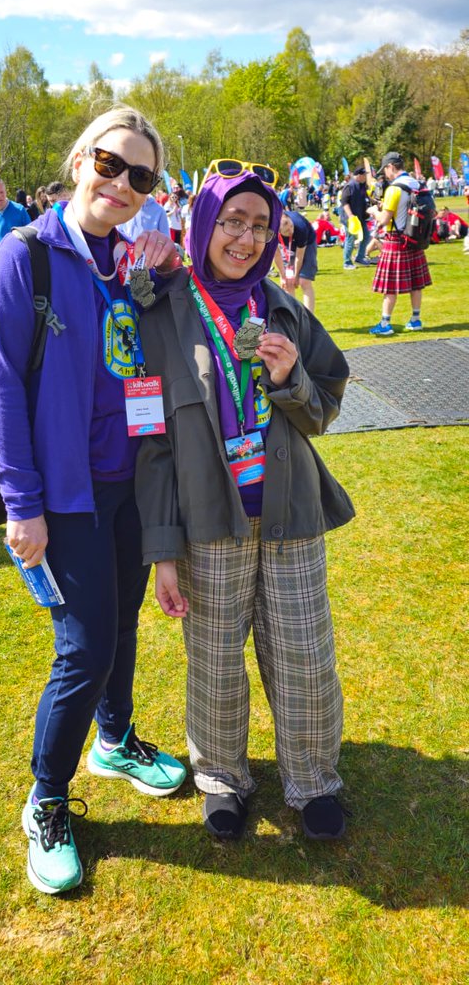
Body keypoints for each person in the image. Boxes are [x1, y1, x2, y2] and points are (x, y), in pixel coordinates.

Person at [0, 106, 186, 895]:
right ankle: (46, 800)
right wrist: (21, 506)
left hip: (130, 482)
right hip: (61, 498)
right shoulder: (21, 257)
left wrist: (167, 274)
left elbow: (163, 348)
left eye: (142, 176)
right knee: (85, 648)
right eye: (110, 164)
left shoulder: (129, 259)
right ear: (78, 161)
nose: (122, 185)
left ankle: (116, 738)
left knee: (122, 625)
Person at [135, 170, 354, 843]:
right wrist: (164, 547)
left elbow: (324, 408)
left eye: (260, 224)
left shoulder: (281, 308)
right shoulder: (160, 309)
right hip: (208, 524)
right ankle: (222, 779)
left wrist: (290, 382)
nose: (246, 237)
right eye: (232, 221)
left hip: (290, 515)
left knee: (304, 656)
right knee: (215, 661)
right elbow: (151, 442)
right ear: (203, 225)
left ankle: (314, 779)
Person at [369, 152, 432, 336]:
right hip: (415, 238)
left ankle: (385, 323)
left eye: (385, 170)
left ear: (391, 167)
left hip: (396, 239)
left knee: (390, 286)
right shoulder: (418, 183)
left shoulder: (394, 189)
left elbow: (384, 219)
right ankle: (415, 319)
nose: (385, 175)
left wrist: (374, 211)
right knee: (416, 283)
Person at [274, 210, 318, 312]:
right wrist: (282, 275)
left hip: (308, 243)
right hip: (286, 245)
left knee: (304, 282)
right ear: (279, 232)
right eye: (286, 231)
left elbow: (300, 255)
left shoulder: (300, 227)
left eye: (291, 226)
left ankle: (309, 318)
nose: (290, 231)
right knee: (288, 283)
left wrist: (297, 275)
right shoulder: (271, 233)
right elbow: (276, 255)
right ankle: (293, 316)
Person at [341, 166, 371, 269]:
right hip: (351, 218)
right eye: (364, 175)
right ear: (358, 175)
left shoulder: (362, 185)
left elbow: (365, 197)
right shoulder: (349, 186)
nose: (365, 177)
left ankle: (360, 257)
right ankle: (347, 262)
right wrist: (350, 216)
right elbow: (344, 202)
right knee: (350, 239)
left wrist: (375, 202)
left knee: (366, 236)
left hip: (360, 217)